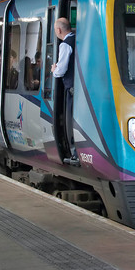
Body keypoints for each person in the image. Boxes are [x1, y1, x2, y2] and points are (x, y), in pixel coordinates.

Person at [51, 17, 78, 164]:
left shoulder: (65, 45)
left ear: (59, 30)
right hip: (80, 87)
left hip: (72, 88)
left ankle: (74, 153)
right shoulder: (78, 40)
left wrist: (54, 70)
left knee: (70, 120)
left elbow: (61, 70)